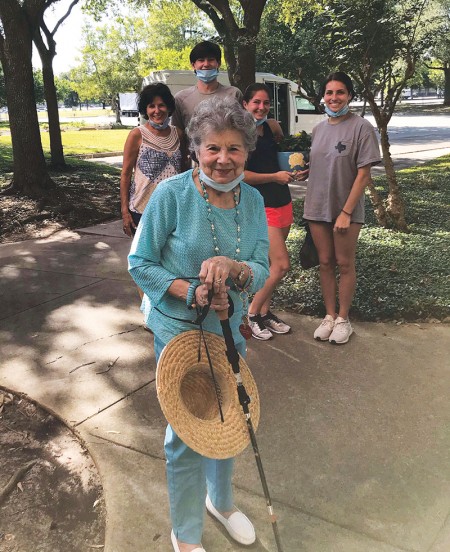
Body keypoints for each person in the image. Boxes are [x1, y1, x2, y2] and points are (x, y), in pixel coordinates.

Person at [128, 97, 270, 552]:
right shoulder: (172, 195)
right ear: (196, 149)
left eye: (234, 149)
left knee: (230, 417)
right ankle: (186, 533)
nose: (223, 159)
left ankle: (221, 502)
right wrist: (190, 291)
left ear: (247, 152)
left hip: (226, 328)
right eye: (213, 148)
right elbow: (140, 263)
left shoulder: (253, 199)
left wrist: (236, 268)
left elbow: (261, 266)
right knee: (186, 436)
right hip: (178, 331)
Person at [303, 72, 381, 344]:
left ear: (350, 95)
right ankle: (329, 315)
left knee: (345, 263)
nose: (334, 98)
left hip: (345, 208)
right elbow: (325, 162)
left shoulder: (361, 128)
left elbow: (364, 174)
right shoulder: (319, 129)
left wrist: (347, 212)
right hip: (316, 206)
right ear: (323, 96)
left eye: (340, 92)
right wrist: (307, 171)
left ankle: (343, 319)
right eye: (329, 93)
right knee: (324, 262)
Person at [242, 83, 308, 340]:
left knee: (271, 265)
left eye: (266, 103)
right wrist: (274, 176)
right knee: (281, 265)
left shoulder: (272, 128)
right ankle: (251, 313)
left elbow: (281, 156)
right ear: (245, 104)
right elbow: (240, 175)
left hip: (283, 200)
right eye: (256, 102)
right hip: (261, 206)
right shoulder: (239, 134)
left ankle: (265, 313)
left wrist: (296, 170)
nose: (261, 107)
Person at [120, 83, 186, 238]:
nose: (157, 111)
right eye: (151, 106)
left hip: (173, 210)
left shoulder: (179, 134)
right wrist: (124, 212)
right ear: (146, 109)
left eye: (161, 105)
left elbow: (183, 171)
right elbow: (125, 175)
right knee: (145, 258)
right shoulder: (137, 135)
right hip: (142, 209)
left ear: (169, 107)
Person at [170, 40, 242, 134]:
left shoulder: (234, 94)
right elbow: (178, 133)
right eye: (201, 60)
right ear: (193, 65)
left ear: (218, 63)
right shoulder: (180, 98)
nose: (206, 64)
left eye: (211, 59)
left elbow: (242, 130)